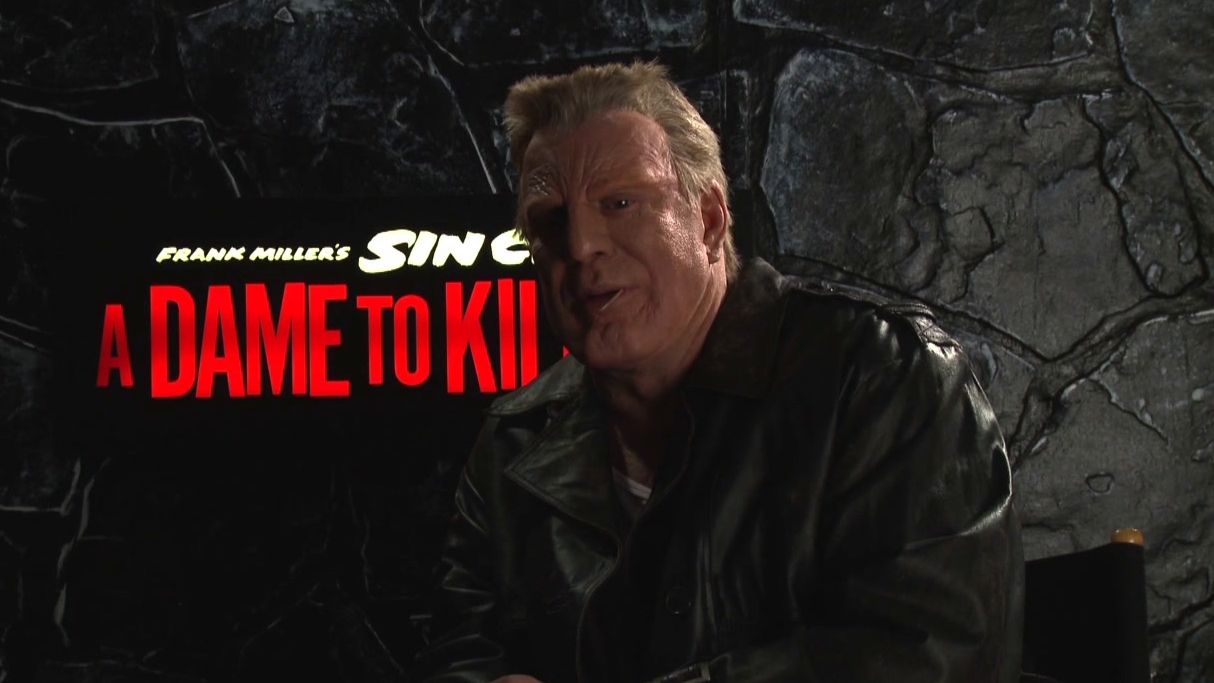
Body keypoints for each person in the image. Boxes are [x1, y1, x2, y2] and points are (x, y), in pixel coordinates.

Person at [414, 62, 1023, 682]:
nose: (580, 245)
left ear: (707, 220)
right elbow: (456, 652)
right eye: (550, 221)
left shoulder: (884, 376)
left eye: (620, 203)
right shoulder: (513, 440)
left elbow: (932, 658)